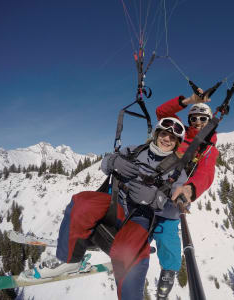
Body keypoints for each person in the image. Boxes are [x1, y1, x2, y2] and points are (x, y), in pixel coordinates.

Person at [21, 117, 188, 300]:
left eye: (172, 138)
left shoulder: (177, 170)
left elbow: (178, 208)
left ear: (177, 143)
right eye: (164, 134)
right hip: (116, 204)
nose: (167, 139)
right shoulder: (135, 150)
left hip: (140, 217)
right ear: (157, 134)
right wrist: (114, 162)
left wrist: (156, 200)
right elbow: (105, 163)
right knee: (81, 202)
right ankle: (71, 260)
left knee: (129, 252)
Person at [154, 90, 219, 298]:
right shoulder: (178, 132)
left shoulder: (208, 148)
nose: (198, 122)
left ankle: (170, 269)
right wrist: (190, 100)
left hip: (176, 195)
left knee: (168, 233)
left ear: (208, 121)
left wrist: (190, 189)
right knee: (138, 223)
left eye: (202, 118)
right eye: (194, 118)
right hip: (153, 186)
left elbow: (206, 173)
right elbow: (161, 112)